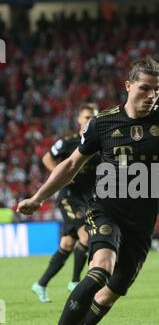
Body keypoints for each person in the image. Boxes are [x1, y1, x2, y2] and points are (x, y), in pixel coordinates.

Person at [17, 57, 159, 325]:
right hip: (106, 209)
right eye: (144, 88)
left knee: (107, 298)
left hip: (141, 224)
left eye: (157, 89)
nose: (151, 95)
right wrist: (37, 198)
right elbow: (71, 165)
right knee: (101, 266)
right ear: (128, 86)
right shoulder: (103, 123)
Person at [31, 103, 100, 303]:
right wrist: (60, 175)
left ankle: (41, 284)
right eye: (86, 117)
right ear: (79, 120)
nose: (90, 121)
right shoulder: (69, 142)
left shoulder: (98, 143)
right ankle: (75, 282)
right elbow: (47, 158)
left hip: (87, 198)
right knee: (86, 235)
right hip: (69, 197)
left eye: (93, 117)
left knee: (67, 243)